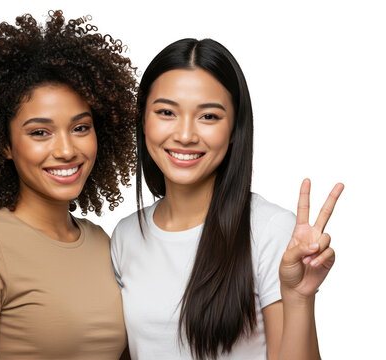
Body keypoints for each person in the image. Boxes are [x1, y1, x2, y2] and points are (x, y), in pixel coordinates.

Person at [111, 38, 343, 360]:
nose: (186, 135)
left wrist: (299, 298)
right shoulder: (125, 236)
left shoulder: (269, 229)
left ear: (235, 129)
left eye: (208, 117)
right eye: (166, 112)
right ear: (143, 119)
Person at [0, 11, 137, 360]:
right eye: (40, 132)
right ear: (5, 145)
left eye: (81, 127)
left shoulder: (103, 242)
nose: (67, 150)